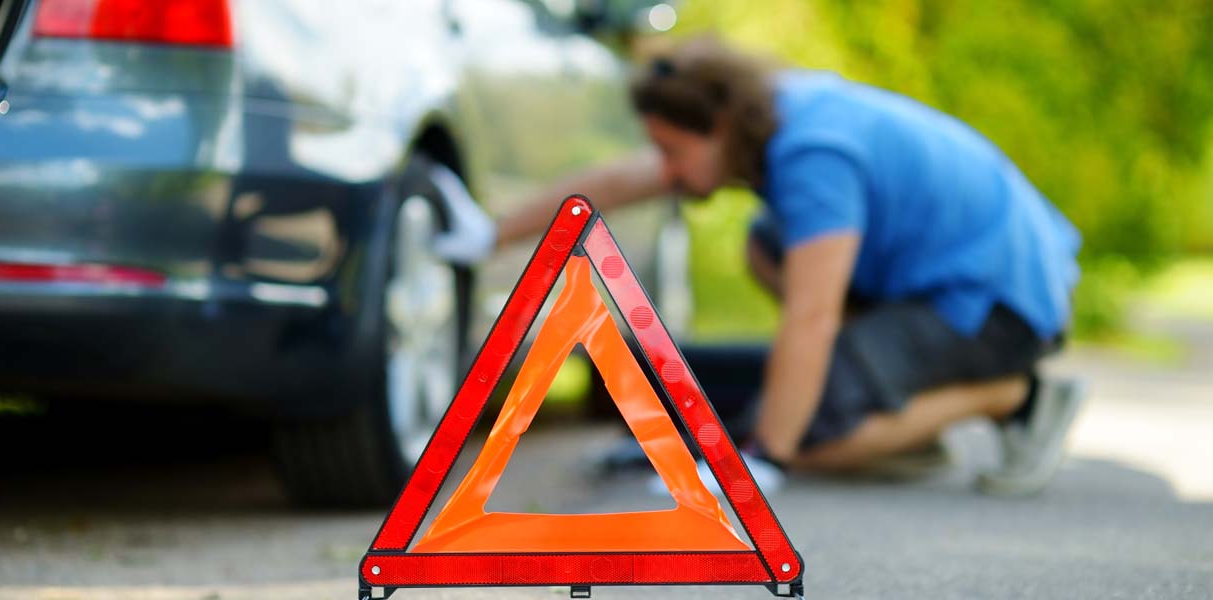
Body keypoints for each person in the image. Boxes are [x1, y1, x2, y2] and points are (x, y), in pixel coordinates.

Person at [447, 38, 1084, 496]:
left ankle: (1019, 397)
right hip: (954, 281)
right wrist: (491, 232)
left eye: (673, 152)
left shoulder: (812, 156)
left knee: (812, 439)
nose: (664, 171)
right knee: (765, 242)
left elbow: (812, 313)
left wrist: (765, 457)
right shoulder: (772, 114)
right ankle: (894, 413)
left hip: (1001, 304)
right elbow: (620, 180)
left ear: (720, 124)